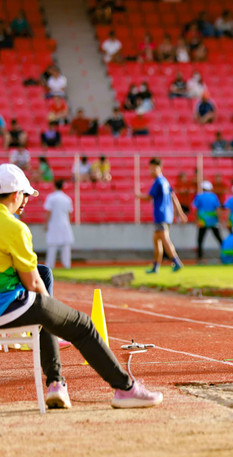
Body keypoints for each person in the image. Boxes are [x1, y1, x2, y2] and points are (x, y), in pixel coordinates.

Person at [0, 163, 162, 409]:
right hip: (6, 306)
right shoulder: (14, 228)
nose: (26, 200)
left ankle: (56, 381)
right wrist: (53, 316)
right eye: (25, 195)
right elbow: (32, 284)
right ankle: (125, 388)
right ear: (15, 195)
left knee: (45, 275)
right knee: (82, 325)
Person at [135, 158, 187, 274]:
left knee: (164, 239)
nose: (152, 171)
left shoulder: (158, 182)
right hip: (167, 215)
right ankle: (155, 267)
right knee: (156, 239)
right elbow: (174, 197)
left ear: (160, 168)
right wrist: (180, 213)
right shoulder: (165, 181)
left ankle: (176, 261)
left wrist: (138, 196)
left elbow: (149, 197)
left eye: (154, 168)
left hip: (160, 214)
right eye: (150, 168)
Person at [44, 178, 74, 270]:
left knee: (52, 245)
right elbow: (69, 213)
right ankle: (67, 265)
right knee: (66, 246)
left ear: (55, 186)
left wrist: (46, 224)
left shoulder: (51, 197)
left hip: (54, 224)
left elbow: (48, 212)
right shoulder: (67, 198)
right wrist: (69, 223)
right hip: (65, 224)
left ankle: (49, 265)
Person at [192, 180, 222, 263]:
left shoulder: (199, 196)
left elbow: (195, 209)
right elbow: (218, 209)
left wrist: (196, 220)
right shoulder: (214, 196)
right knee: (219, 239)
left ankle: (199, 258)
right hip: (213, 221)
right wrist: (220, 220)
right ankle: (224, 255)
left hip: (203, 221)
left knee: (200, 240)